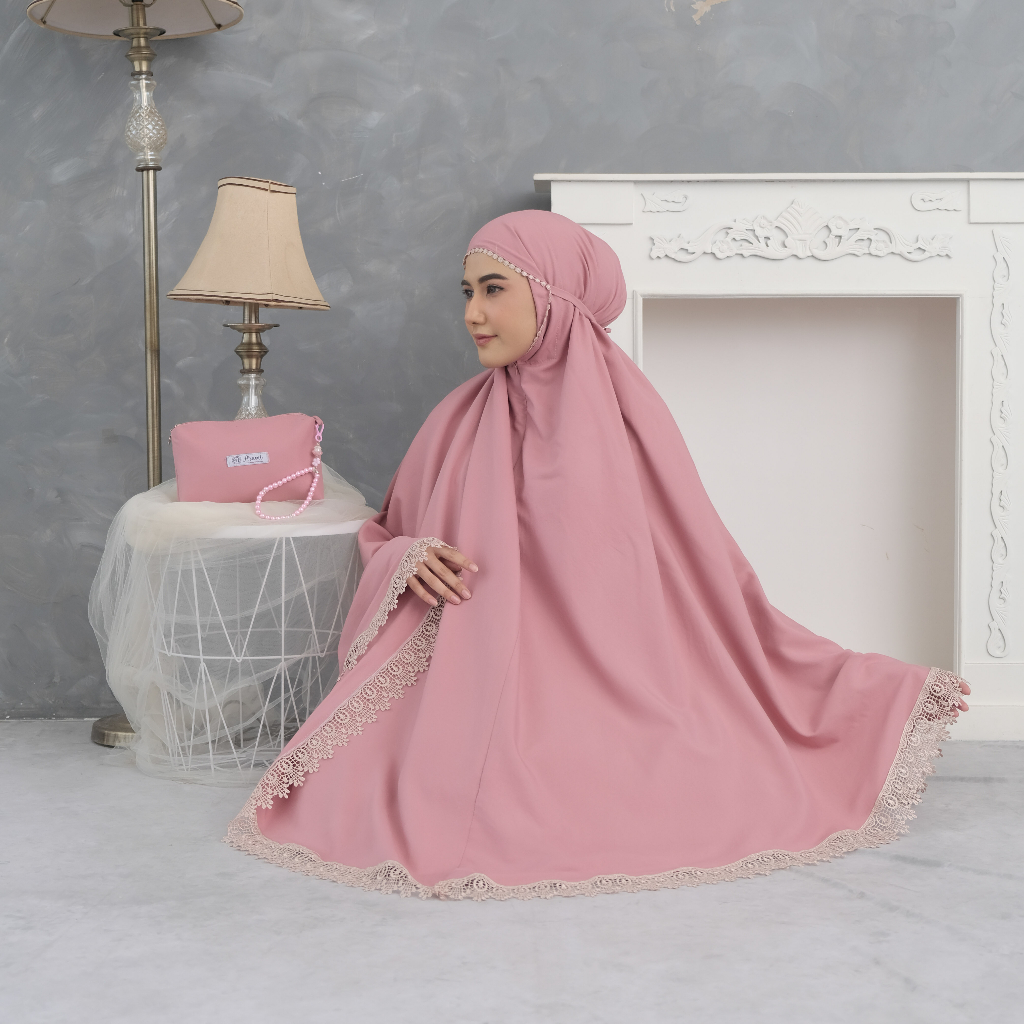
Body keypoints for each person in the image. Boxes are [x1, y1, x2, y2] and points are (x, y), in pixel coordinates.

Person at [226, 210, 971, 900]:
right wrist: (407, 557)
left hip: (621, 675)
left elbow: (700, 571)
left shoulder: (627, 421)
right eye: (467, 292)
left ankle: (861, 701)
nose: (472, 313)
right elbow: (387, 529)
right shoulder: (456, 418)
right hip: (475, 673)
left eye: (494, 289)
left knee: (665, 752)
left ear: (555, 295)